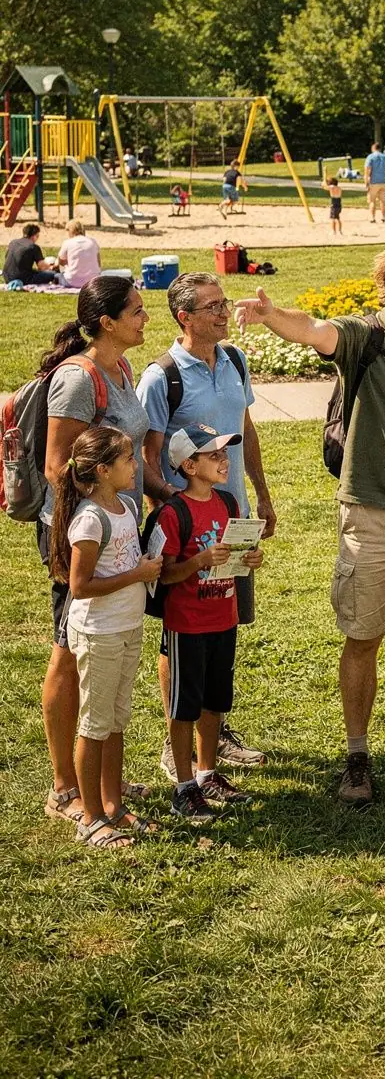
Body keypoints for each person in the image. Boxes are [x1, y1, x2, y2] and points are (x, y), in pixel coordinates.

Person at [235, 232, 385, 805]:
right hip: (371, 517)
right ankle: (357, 756)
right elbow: (315, 329)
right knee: (362, 638)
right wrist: (272, 316)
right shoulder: (364, 337)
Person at [137, 272, 276, 779]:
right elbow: (147, 458)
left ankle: (214, 734)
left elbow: (246, 429)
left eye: (223, 305)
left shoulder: (235, 360)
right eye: (213, 307)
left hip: (235, 522)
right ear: (185, 317)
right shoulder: (161, 376)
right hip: (189, 530)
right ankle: (177, 743)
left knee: (222, 624)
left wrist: (259, 494)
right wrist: (184, 507)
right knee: (180, 634)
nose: (224, 313)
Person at [40, 276, 156, 824]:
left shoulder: (122, 368)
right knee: (69, 649)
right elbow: (57, 464)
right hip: (80, 533)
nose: (145, 318)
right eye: (136, 310)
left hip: (118, 528)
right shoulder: (77, 379)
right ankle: (66, 786)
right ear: (106, 322)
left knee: (94, 654)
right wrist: (101, 516)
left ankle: (102, 779)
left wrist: (158, 494)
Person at [49, 426, 162, 848]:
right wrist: (137, 574)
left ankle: (113, 804)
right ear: (103, 469)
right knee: (94, 726)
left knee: (116, 721)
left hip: (126, 627)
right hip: (99, 634)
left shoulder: (123, 508)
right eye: (129, 459)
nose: (136, 466)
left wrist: (147, 564)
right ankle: (91, 817)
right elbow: (79, 586)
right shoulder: (91, 519)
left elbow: (123, 564)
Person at [158, 425, 265, 823]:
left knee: (215, 702)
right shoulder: (173, 513)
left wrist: (249, 560)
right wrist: (198, 562)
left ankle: (206, 774)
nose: (224, 460)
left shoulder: (228, 502)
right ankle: (184, 788)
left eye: (225, 453)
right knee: (184, 706)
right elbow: (165, 575)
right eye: (214, 455)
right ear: (188, 465)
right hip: (187, 625)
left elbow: (239, 555)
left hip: (225, 618)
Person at [57, 220, 101, 289]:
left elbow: (61, 262)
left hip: (72, 281)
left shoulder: (67, 242)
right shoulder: (93, 241)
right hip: (93, 281)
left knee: (57, 276)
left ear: (70, 231)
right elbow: (98, 263)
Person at [364, 142, 385, 223]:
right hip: (383, 181)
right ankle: (383, 217)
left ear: (373, 148)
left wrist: (366, 181)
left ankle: (372, 218)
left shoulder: (370, 157)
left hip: (373, 182)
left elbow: (368, 169)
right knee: (383, 201)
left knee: (372, 201)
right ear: (379, 148)